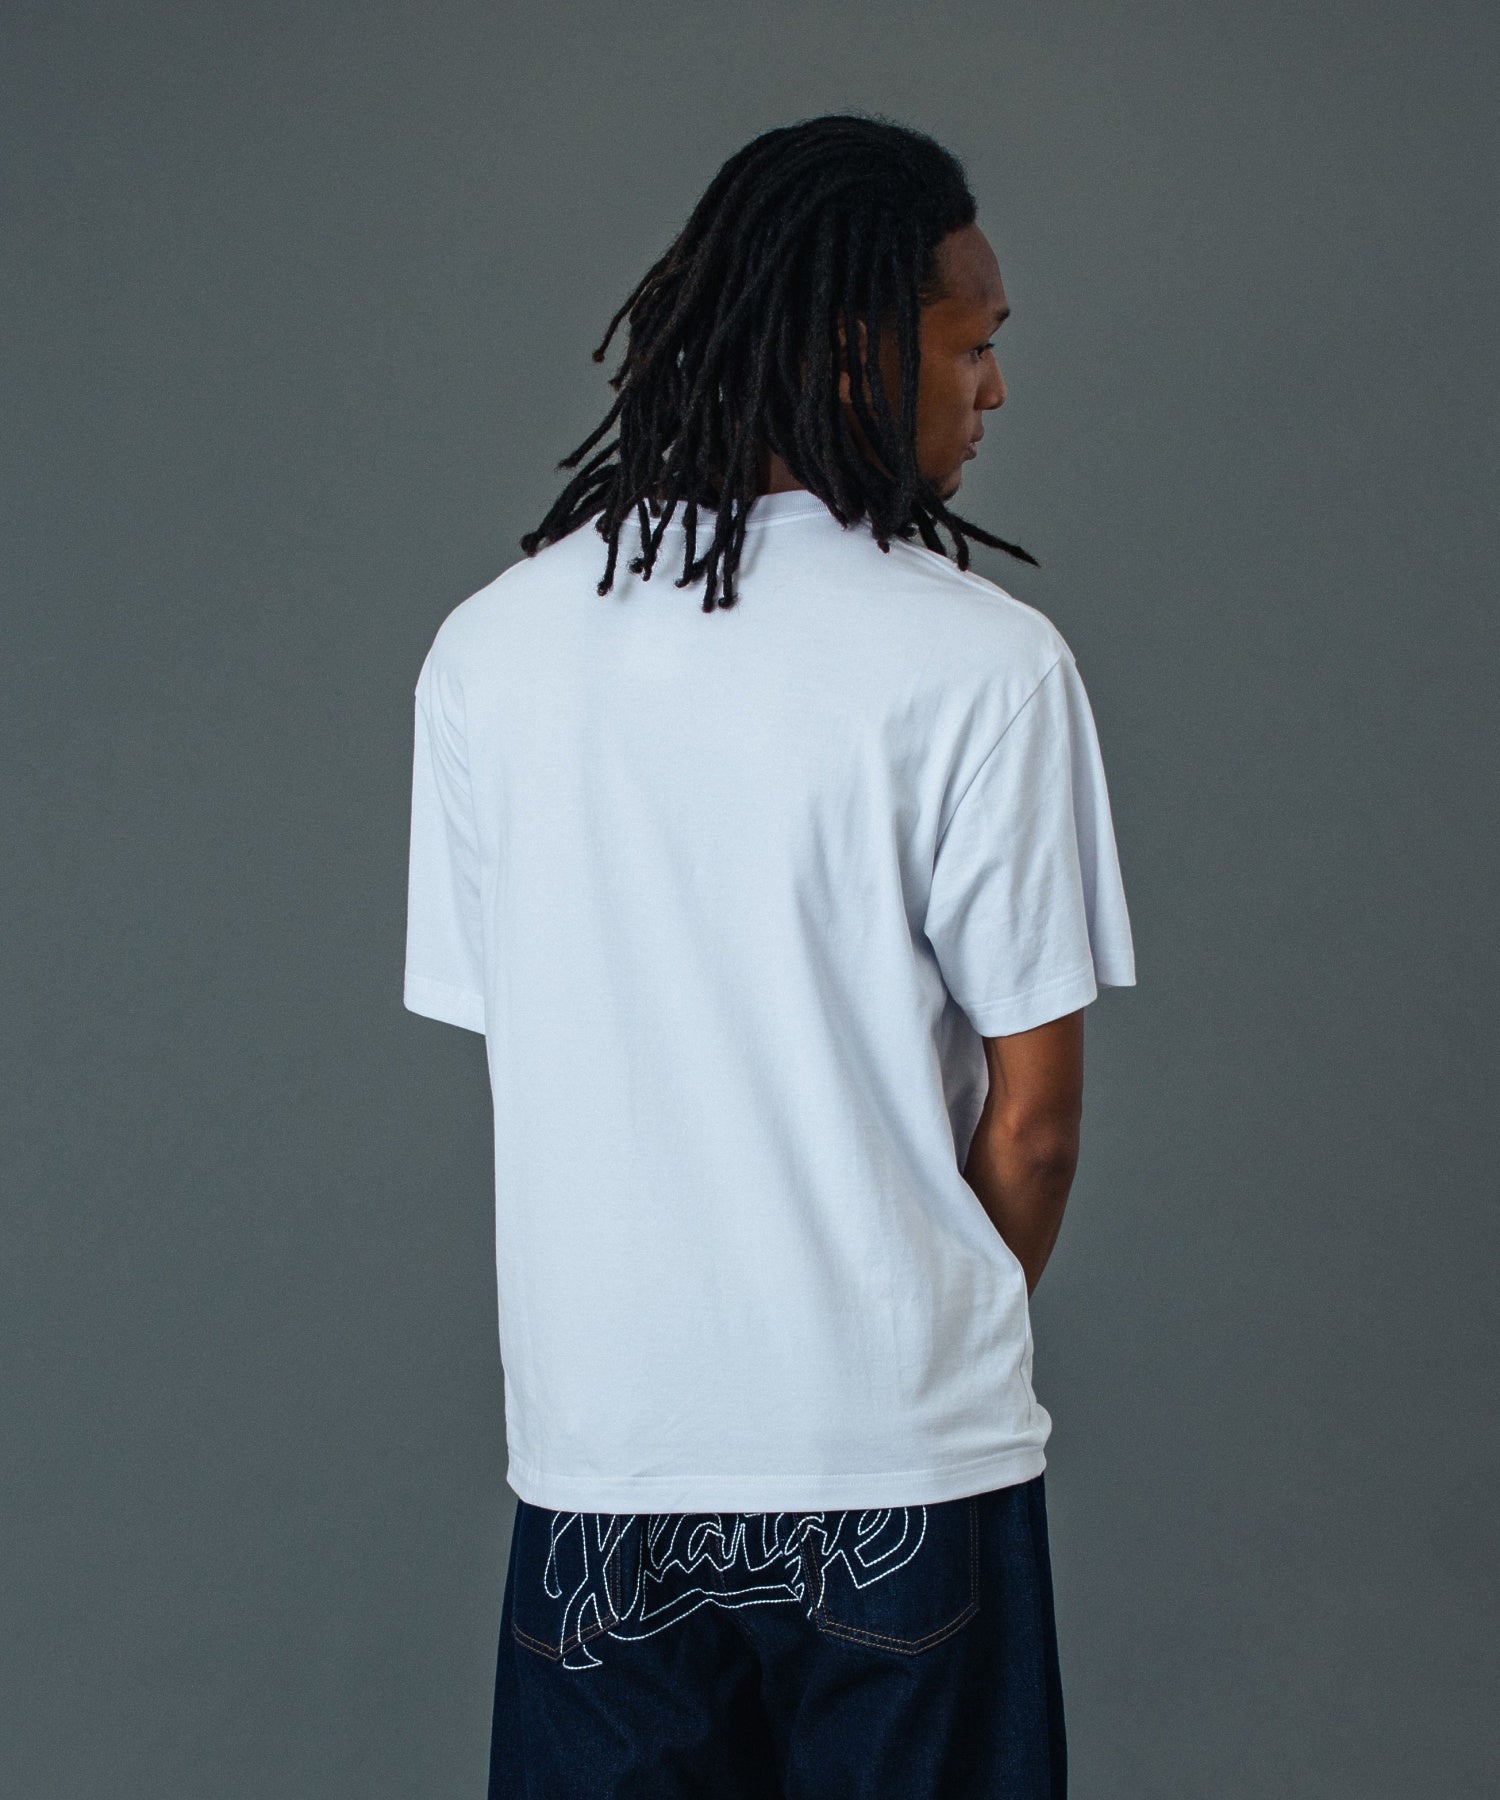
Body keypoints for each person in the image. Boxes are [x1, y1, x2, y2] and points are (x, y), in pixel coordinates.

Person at [403, 111, 1136, 1799]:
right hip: (900, 1477)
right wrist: (902, 1346)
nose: (997, 389)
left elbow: (547, 1047)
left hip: (605, 1468)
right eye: (972, 344)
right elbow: (1035, 1124)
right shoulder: (985, 665)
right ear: (859, 348)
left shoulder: (490, 656)